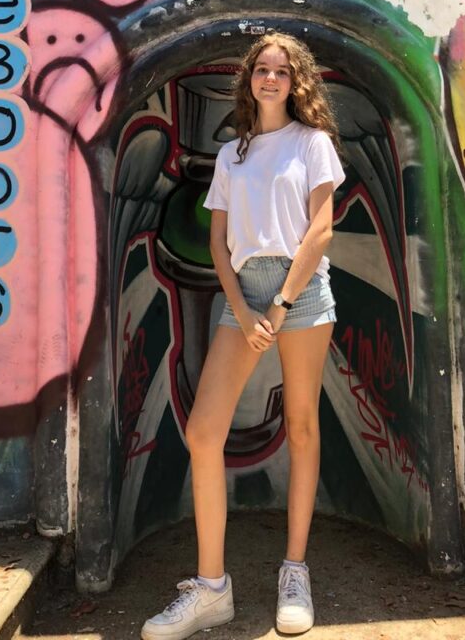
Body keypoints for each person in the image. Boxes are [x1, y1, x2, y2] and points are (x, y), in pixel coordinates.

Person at [142, 31, 344, 640]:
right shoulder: (232, 153)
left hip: (300, 292)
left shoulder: (313, 143)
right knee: (204, 432)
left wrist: (279, 306)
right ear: (249, 80)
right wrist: (241, 306)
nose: (271, 78)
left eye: (282, 70)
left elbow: (321, 230)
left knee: (301, 428)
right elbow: (216, 241)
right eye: (262, 69)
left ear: (297, 81)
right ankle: (212, 590)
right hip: (243, 295)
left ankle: (294, 572)